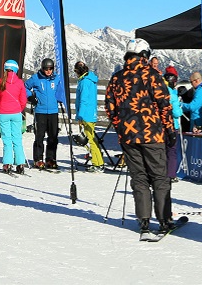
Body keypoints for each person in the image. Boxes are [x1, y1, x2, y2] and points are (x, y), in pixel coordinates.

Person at [105, 38, 176, 235]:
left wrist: (121, 129)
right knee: (159, 177)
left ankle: (143, 220)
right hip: (152, 135)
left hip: (128, 137)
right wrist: (169, 130)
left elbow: (110, 109)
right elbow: (164, 105)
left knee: (139, 178)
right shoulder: (152, 76)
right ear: (144, 55)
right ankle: (164, 219)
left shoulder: (116, 78)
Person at [25, 58, 64, 170]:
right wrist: (31, 97)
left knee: (53, 137)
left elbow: (61, 90)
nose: (48, 71)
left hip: (53, 111)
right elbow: (25, 87)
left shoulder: (56, 78)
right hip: (40, 111)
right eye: (46, 69)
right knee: (39, 136)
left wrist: (60, 98)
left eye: (50, 69)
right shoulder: (36, 78)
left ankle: (50, 159)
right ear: (42, 68)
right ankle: (38, 159)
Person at [0, 60, 27, 174]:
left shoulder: (0, 82)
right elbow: (23, 100)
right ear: (16, 70)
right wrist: (19, 109)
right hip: (16, 113)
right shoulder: (20, 82)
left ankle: (7, 163)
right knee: (17, 138)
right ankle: (20, 163)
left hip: (3, 113)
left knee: (7, 139)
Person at [74, 61, 104, 173]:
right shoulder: (90, 80)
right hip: (91, 113)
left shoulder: (84, 82)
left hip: (86, 115)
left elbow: (83, 100)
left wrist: (80, 115)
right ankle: (98, 162)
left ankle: (98, 164)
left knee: (90, 140)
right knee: (92, 139)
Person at [163, 69, 183, 182]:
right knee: (172, 150)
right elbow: (176, 113)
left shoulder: (160, 91)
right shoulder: (173, 96)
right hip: (171, 125)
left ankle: (160, 173)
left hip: (160, 126)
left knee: (162, 150)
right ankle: (171, 174)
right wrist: (180, 107)